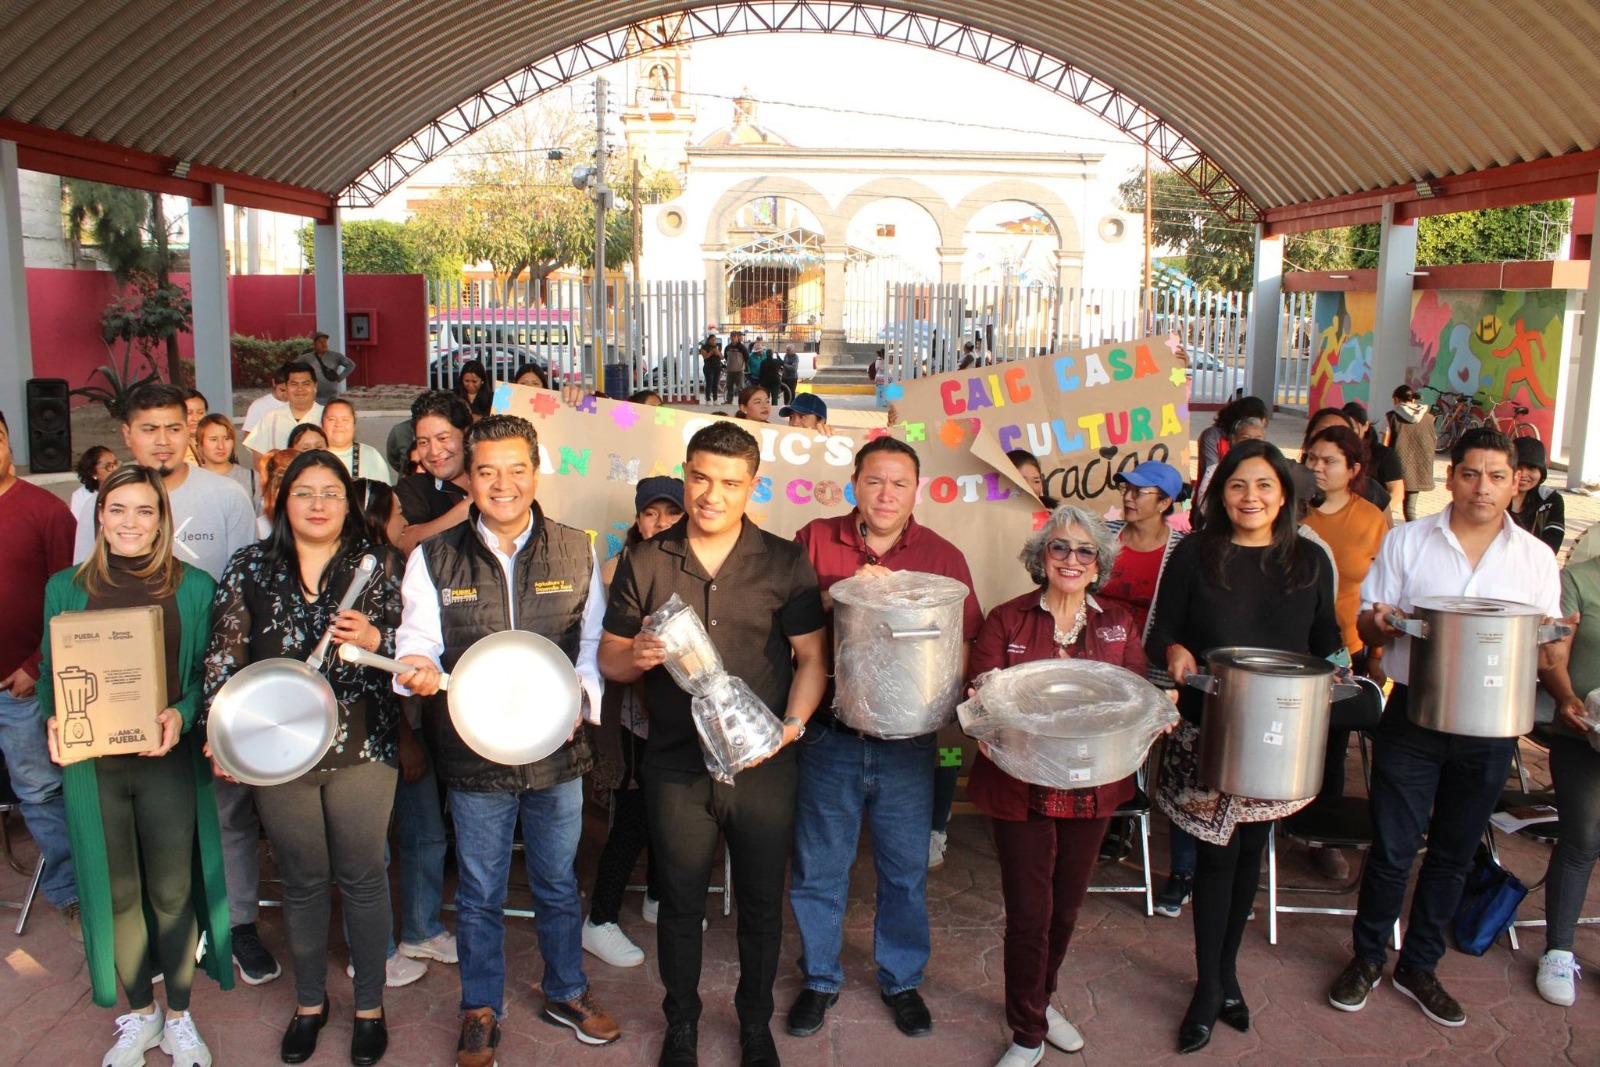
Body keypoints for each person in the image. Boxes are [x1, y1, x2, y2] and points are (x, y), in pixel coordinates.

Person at [393, 415, 621, 1063]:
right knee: (480, 890)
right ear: (468, 478)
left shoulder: (575, 549)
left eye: (516, 469)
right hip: (477, 753)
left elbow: (591, 643)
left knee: (557, 881)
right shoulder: (434, 556)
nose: (503, 484)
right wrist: (415, 665)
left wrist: (581, 698)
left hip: (557, 750)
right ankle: (480, 1005)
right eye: (487, 471)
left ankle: (566, 989)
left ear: (535, 471)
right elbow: (417, 639)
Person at [600, 420, 827, 1067]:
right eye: (700, 478)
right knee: (678, 901)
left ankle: (755, 1024)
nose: (711, 494)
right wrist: (638, 655)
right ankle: (682, 1023)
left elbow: (813, 658)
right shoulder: (646, 559)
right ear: (686, 474)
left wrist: (791, 726)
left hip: (763, 764)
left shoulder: (784, 560)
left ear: (752, 486)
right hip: (677, 765)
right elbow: (611, 657)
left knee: (761, 903)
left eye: (729, 482)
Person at [1329, 427, 1564, 1028]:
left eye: (1496, 476)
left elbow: (1547, 643)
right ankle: (1366, 958)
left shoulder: (1535, 559)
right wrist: (1382, 623)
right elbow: (1370, 623)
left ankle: (1420, 966)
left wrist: (1557, 651)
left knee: (1454, 853)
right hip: (1414, 716)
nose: (1482, 487)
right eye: (1470, 474)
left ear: (1516, 482)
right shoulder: (1408, 541)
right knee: (1392, 848)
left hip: (1491, 725)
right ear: (1451, 477)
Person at [203, 450, 404, 1066]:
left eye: (331, 493)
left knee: (364, 876)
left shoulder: (377, 565)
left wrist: (376, 637)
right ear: (280, 501)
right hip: (277, 749)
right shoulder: (250, 566)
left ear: (349, 503)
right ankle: (310, 1004)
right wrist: (220, 732)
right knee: (303, 878)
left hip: (362, 743)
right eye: (304, 492)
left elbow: (414, 647)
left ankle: (369, 1008)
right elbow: (224, 656)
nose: (318, 504)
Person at [1147, 440, 1341, 1054]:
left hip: (1278, 736)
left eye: (1263, 485)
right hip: (1207, 731)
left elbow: (1328, 642)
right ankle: (1209, 989)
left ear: (1283, 495)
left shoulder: (1309, 560)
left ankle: (1224, 977)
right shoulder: (1193, 553)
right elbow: (1161, 634)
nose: (1249, 497)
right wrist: (1175, 651)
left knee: (1250, 854)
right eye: (1236, 485)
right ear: (1219, 494)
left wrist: (1342, 675)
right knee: (1215, 858)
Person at [788, 438, 983, 1041]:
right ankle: (820, 978)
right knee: (820, 868)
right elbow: (785, 624)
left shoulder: (942, 556)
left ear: (915, 491)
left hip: (908, 747)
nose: (886, 494)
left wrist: (941, 713)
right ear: (855, 484)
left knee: (903, 870)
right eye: (874, 481)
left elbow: (964, 644)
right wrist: (841, 593)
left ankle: (901, 980)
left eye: (899, 483)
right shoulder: (814, 540)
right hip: (830, 738)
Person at [40, 465, 230, 1067]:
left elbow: (205, 677)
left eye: (144, 510)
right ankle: (142, 1014)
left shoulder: (194, 587)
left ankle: (179, 1016)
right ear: (99, 515)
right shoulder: (65, 587)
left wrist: (181, 712)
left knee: (172, 895)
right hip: (94, 768)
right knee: (117, 896)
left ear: (161, 519)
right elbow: (50, 673)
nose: (130, 522)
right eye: (117, 509)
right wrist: (54, 718)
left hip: (164, 764)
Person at [970, 504, 1155, 1066]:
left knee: (1066, 910)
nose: (1071, 559)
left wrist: (1156, 715)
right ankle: (1027, 1032)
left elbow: (1136, 694)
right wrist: (985, 716)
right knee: (1030, 914)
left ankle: (1041, 1000)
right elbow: (980, 696)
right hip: (1020, 784)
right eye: (1059, 547)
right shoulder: (1007, 619)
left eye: (1085, 550)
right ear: (1041, 556)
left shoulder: (1118, 623)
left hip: (1092, 785)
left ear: (1099, 563)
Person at [351, 479, 457, 978]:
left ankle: (419, 930)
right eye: (396, 513)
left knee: (424, 833)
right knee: (375, 848)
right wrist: (407, 739)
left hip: (405, 727)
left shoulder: (399, 561)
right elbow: (381, 668)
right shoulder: (376, 566)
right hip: (379, 733)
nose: (405, 523)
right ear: (374, 519)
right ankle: (374, 954)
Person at [583, 477, 686, 969]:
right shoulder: (615, 570)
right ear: (638, 520)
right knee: (635, 814)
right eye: (651, 513)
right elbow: (611, 651)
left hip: (684, 715)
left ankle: (658, 897)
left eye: (672, 512)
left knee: (676, 810)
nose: (660, 522)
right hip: (635, 717)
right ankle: (600, 919)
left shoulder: (695, 565)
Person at [0, 409, 83, 937]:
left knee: (41, 793)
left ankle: (71, 893)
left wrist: (36, 665)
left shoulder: (46, 512)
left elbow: (72, 598)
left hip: (20, 690)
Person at [1299, 425, 1390, 881]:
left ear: (1353, 469)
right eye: (1311, 458)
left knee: (1332, 748)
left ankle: (1324, 839)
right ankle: (1270, 825)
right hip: (1288, 648)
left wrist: (1375, 656)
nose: (1317, 467)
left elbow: (1385, 595)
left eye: (1328, 461)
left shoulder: (1371, 519)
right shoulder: (1291, 510)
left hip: (1342, 651)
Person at [1098, 461, 1189, 883]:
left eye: (1140, 492)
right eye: (1126, 489)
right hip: (1099, 659)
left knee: (1140, 742)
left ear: (1165, 502)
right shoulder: (1104, 537)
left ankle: (1124, 820)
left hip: (1152, 664)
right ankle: (1098, 812)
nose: (1129, 498)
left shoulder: (1182, 550)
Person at [1533, 546, 1600, 1006]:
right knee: (1582, 838)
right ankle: (1558, 951)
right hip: (1583, 732)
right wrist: (1566, 698)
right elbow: (1553, 655)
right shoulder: (1579, 579)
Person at [393, 391, 473, 555]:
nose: (434, 451)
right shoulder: (413, 488)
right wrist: (474, 503)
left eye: (443, 438)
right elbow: (405, 542)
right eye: (423, 442)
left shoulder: (498, 479)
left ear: (467, 435)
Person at [1300, 407, 1391, 515]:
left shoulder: (1372, 495)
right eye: (1323, 432)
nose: (1330, 441)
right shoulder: (1287, 489)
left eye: (1341, 435)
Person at [1193, 396, 1268, 501]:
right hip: (1214, 501)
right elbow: (1210, 478)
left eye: (1258, 438)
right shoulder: (1213, 436)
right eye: (1245, 438)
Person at [1343, 401, 1405, 521]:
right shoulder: (1339, 453)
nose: (1348, 433)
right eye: (1344, 428)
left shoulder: (1384, 455)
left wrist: (1378, 516)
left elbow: (1397, 492)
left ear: (1366, 426)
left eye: (1353, 428)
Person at [1383, 384, 1436, 522]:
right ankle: (1414, 534)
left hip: (1394, 468)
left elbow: (1384, 444)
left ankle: (1381, 530)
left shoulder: (1391, 416)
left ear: (1396, 399)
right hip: (1418, 467)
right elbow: (1433, 441)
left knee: (1386, 505)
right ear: (1413, 399)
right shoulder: (1429, 418)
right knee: (1410, 508)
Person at [245, 362, 324, 454]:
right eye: (294, 384)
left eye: (305, 384)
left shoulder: (328, 416)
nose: (300, 389)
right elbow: (259, 456)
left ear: (315, 386)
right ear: (286, 387)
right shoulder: (270, 418)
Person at [1509, 437, 1565, 554]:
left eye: (1532, 468)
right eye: (1518, 467)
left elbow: (1550, 548)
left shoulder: (1550, 500)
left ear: (1541, 473)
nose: (1523, 474)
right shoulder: (1492, 497)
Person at [323, 398, 394, 484]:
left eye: (345, 420)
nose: (338, 424)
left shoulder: (370, 455)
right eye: (331, 419)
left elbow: (385, 491)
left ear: (354, 426)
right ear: (321, 424)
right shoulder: (313, 455)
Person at [194, 413, 257, 501]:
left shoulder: (252, 478)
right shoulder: (191, 480)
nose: (221, 446)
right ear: (200, 443)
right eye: (213, 439)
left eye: (227, 438)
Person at [71, 444, 119, 525]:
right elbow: (79, 525)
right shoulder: (80, 496)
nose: (115, 469)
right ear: (93, 472)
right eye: (109, 466)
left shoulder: (126, 489)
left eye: (116, 463)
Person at [307, 331, 357, 404]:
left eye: (325, 341)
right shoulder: (307, 358)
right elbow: (293, 366)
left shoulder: (335, 356)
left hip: (332, 396)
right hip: (314, 396)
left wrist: (341, 377)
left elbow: (351, 365)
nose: (324, 344)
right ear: (314, 344)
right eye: (320, 342)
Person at [243, 363, 293, 435]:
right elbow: (248, 436)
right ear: (274, 383)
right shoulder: (259, 405)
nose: (286, 395)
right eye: (282, 390)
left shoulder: (299, 404)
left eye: (290, 391)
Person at [722, 330, 749, 404]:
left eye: (734, 336)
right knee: (729, 386)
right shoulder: (727, 347)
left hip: (739, 371)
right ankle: (729, 400)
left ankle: (742, 401)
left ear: (737, 337)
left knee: (741, 387)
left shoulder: (742, 348)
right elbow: (726, 357)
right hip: (730, 370)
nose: (733, 338)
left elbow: (747, 358)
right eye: (732, 336)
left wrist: (742, 366)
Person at [701, 338, 724, 403]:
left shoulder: (717, 347)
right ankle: (708, 399)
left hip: (717, 366)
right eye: (712, 339)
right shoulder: (704, 347)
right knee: (709, 383)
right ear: (709, 340)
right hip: (708, 367)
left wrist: (718, 353)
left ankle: (715, 399)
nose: (714, 341)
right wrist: (711, 352)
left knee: (716, 383)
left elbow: (722, 357)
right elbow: (705, 356)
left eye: (715, 340)